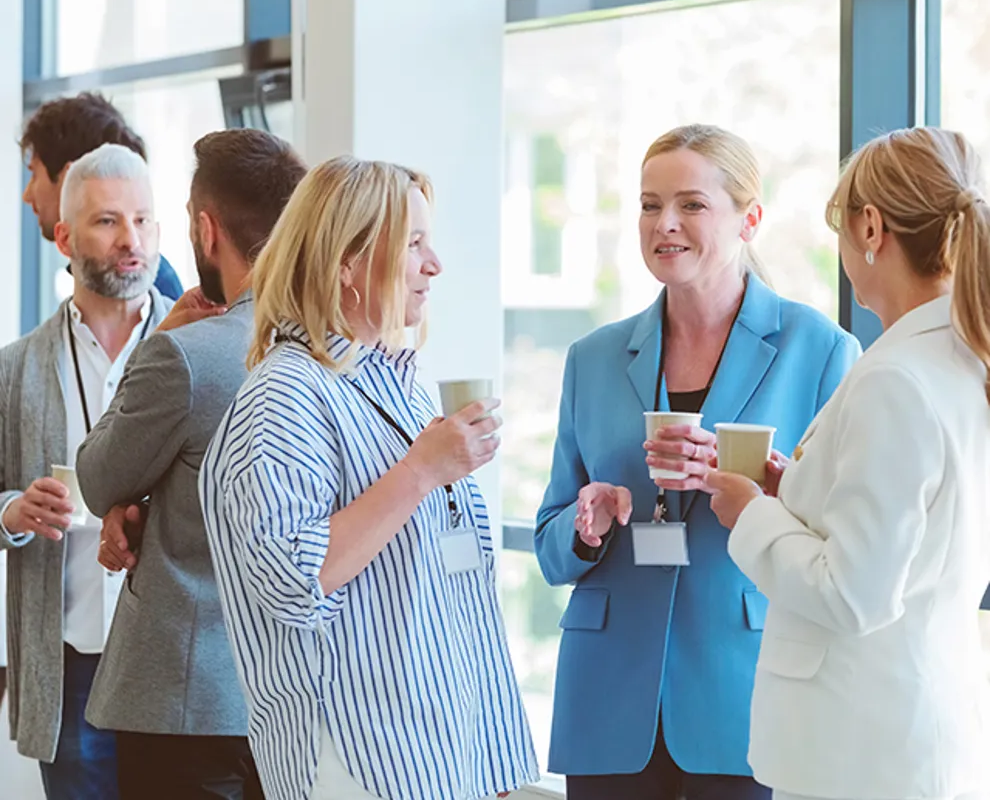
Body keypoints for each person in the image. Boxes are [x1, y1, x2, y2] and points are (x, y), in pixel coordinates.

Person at [534, 124, 861, 800]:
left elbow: (843, 541)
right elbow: (550, 547)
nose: (665, 224)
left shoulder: (821, 350)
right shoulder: (593, 358)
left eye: (691, 204)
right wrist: (585, 525)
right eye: (650, 205)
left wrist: (759, 489)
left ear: (750, 219)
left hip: (744, 688)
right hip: (606, 696)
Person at [200, 156, 539, 800]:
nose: (434, 265)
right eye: (413, 243)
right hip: (362, 758)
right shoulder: (285, 396)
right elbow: (294, 580)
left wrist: (486, 757)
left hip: (441, 748)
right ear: (345, 264)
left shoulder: (397, 384)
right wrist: (420, 471)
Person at [708, 126, 990, 800]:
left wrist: (752, 515)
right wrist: (799, 495)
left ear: (870, 227)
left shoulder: (896, 379)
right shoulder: (961, 360)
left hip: (862, 753)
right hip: (905, 735)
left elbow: (853, 594)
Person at [74, 129, 307, 800]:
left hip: (185, 702)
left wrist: (158, 343)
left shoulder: (187, 355)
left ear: (206, 230)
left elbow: (98, 478)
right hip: (296, 697)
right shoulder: (332, 350)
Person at [0, 144, 170, 799]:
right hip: (70, 668)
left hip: (174, 664)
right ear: (65, 238)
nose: (131, 239)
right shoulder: (16, 369)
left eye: (143, 219)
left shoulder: (197, 349)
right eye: (107, 221)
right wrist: (13, 510)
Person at [20, 91, 184, 300]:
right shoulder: (98, 279)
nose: (27, 195)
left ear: (70, 177)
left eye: (34, 174)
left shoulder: (144, 289)